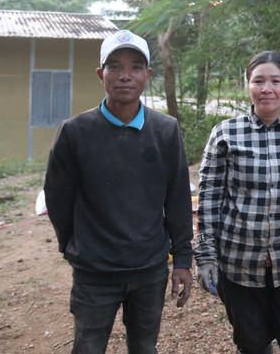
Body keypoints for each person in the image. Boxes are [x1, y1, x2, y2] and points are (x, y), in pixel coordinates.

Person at [43, 29, 194, 354]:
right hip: (94, 273)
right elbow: (57, 198)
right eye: (115, 67)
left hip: (150, 269)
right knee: (88, 346)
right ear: (101, 74)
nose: (125, 75)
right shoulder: (75, 132)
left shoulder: (165, 130)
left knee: (144, 347)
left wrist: (182, 258)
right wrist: (73, 246)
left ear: (148, 75)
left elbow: (178, 197)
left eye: (136, 67)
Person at [195, 51, 280, 354]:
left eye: (275, 81)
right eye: (258, 81)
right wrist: (205, 254)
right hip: (239, 266)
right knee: (252, 345)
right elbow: (208, 200)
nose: (267, 89)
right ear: (248, 85)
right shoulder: (225, 134)